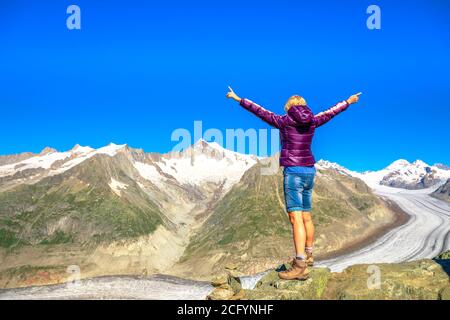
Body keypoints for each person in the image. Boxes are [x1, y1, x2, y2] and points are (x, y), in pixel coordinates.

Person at [226, 87, 361, 280]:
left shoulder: (284, 121)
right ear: (304, 106)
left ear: (288, 107)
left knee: (295, 218)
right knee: (306, 216)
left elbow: (260, 111)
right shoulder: (313, 121)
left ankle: (299, 264)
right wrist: (348, 101)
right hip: (309, 170)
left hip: (293, 171)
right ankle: (309, 255)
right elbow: (332, 111)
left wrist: (238, 98)